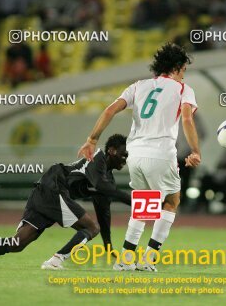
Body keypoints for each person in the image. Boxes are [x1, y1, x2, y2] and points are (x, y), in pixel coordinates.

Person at [77, 43, 201, 272]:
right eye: (184, 69)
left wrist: (92, 139)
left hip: (135, 154)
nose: (184, 73)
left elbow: (109, 110)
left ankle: (125, 258)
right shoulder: (183, 89)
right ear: (177, 67)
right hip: (161, 153)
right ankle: (149, 258)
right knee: (171, 202)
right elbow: (186, 120)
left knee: (144, 207)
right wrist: (195, 151)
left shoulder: (138, 86)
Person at [0, 134, 130, 270]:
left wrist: (108, 247)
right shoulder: (97, 157)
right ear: (112, 151)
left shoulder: (108, 183)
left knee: (18, 243)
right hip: (55, 185)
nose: (126, 157)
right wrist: (133, 200)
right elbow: (101, 187)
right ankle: (56, 260)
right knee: (92, 228)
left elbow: (104, 214)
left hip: (47, 191)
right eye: (124, 153)